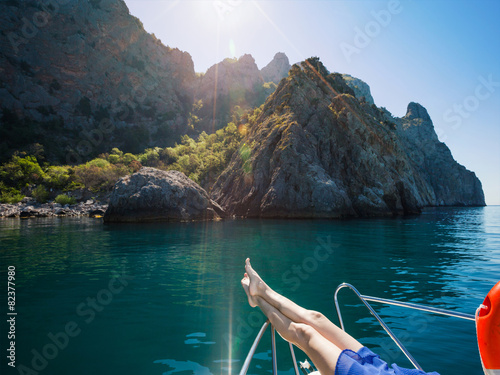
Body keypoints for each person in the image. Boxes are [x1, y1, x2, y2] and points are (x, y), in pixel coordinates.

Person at [241, 258, 440, 375]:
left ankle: (257, 299)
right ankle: (261, 289)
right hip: (387, 370)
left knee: (305, 334)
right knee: (316, 318)